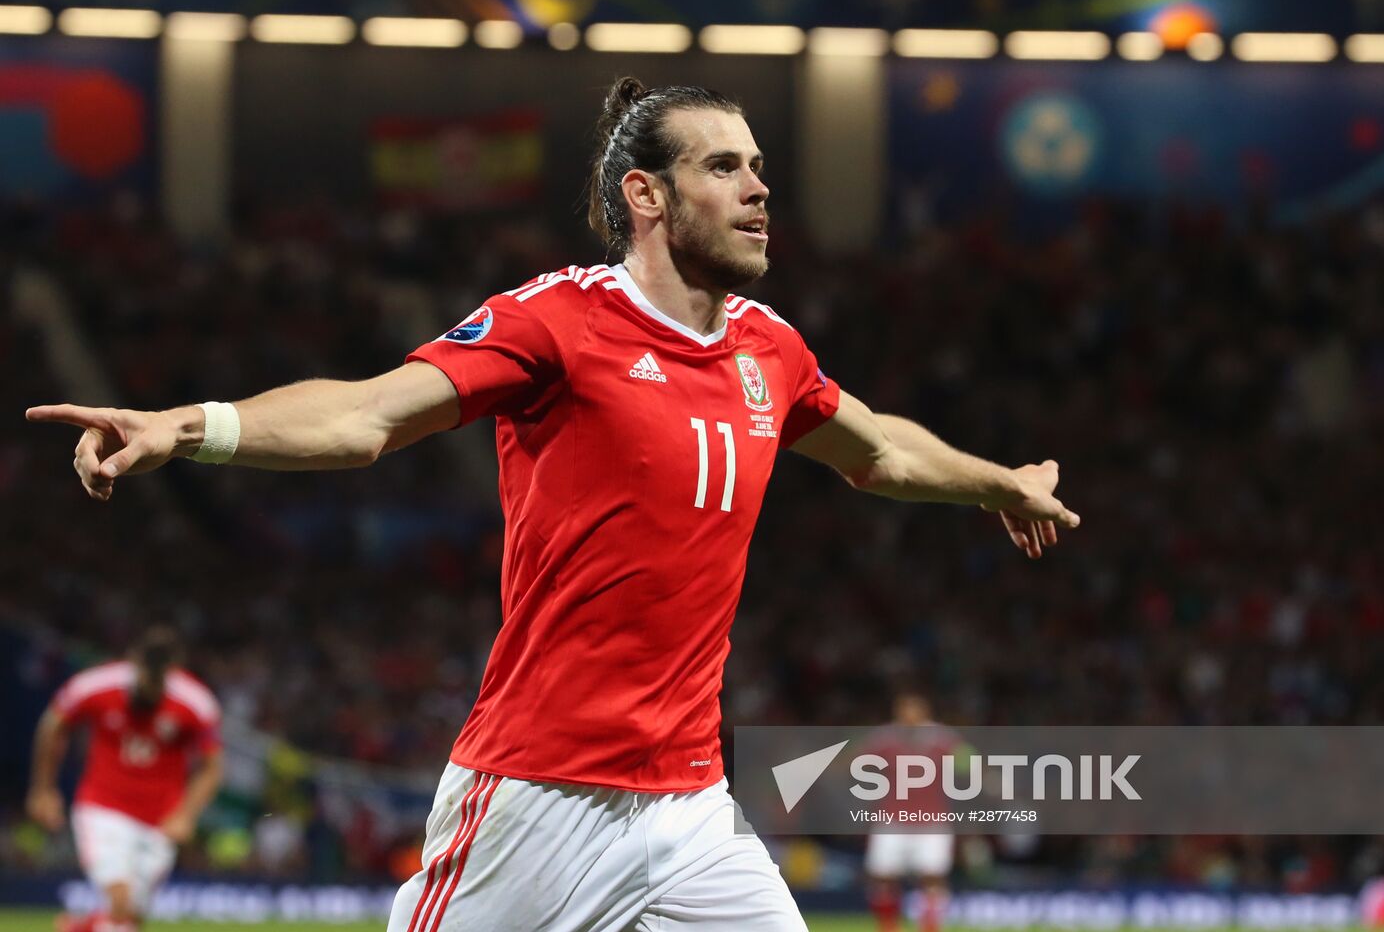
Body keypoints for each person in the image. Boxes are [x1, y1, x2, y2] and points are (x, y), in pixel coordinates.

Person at [26, 76, 1078, 930]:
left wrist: (1002, 482)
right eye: (724, 166)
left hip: (690, 806)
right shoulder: (558, 322)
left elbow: (879, 449)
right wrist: (188, 425)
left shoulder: (771, 349)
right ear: (646, 195)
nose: (759, 188)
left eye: (758, 165)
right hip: (539, 796)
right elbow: (367, 415)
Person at [26, 624, 223, 932]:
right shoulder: (96, 684)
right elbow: (53, 725)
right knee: (120, 901)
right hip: (103, 808)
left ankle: (77, 929)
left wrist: (186, 814)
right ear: (133, 663)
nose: (148, 690)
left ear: (172, 673)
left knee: (130, 917)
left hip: (160, 819)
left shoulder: (196, 702)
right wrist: (42, 789)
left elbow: (212, 767)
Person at [862, 692, 963, 932]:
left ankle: (930, 927)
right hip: (892, 819)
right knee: (882, 876)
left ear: (925, 713)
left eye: (914, 710)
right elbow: (858, 763)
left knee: (933, 876)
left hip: (931, 821)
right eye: (904, 710)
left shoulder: (944, 739)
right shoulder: (884, 738)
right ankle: (888, 928)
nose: (909, 716)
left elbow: (970, 762)